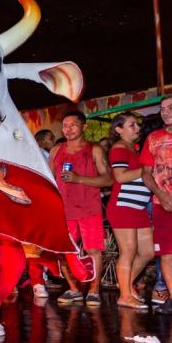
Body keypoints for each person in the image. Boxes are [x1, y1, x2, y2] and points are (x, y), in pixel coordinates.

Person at [49, 111, 113, 306]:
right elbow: (49, 179)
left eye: (73, 125)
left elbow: (108, 178)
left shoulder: (94, 150)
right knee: (63, 251)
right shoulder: (56, 150)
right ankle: (74, 289)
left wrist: (79, 179)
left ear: (84, 127)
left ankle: (94, 290)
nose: (68, 129)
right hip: (64, 210)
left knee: (93, 250)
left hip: (89, 208)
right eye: (65, 126)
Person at [141, 94, 172, 315]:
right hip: (162, 204)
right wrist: (160, 195)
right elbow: (145, 173)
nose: (166, 112)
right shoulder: (153, 137)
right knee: (166, 252)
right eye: (162, 108)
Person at [106, 113, 154, 309]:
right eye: (131, 125)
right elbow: (120, 177)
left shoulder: (133, 149)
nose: (137, 128)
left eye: (137, 125)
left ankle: (125, 285)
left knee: (147, 252)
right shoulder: (118, 149)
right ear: (119, 130)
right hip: (123, 206)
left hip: (138, 208)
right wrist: (146, 170)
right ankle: (125, 295)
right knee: (129, 251)